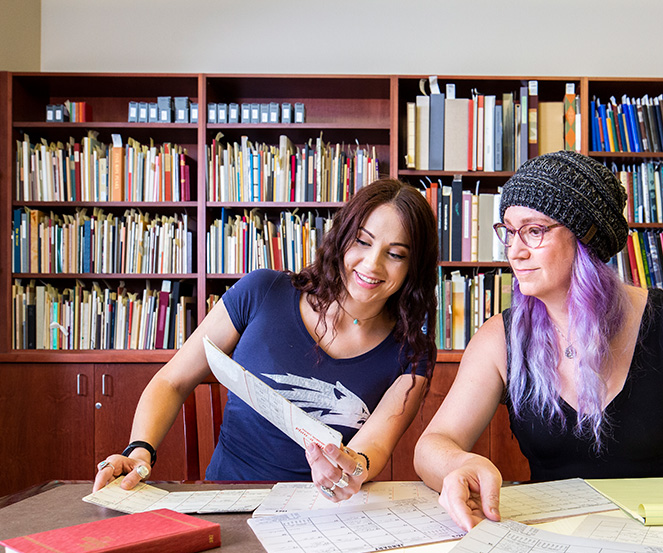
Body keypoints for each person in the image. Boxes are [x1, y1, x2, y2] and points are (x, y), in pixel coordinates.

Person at [414, 151, 663, 531]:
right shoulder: (500, 339)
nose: (515, 251)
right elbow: (434, 443)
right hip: (554, 541)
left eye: (534, 231)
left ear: (587, 236)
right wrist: (457, 465)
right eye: (509, 232)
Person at [93, 178, 439, 502]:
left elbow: (374, 444)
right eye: (362, 241)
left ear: (414, 268)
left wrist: (350, 468)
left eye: (395, 254)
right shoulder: (262, 292)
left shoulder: (412, 351)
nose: (372, 263)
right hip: (227, 499)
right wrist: (139, 450)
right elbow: (172, 380)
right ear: (342, 237)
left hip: (324, 513)